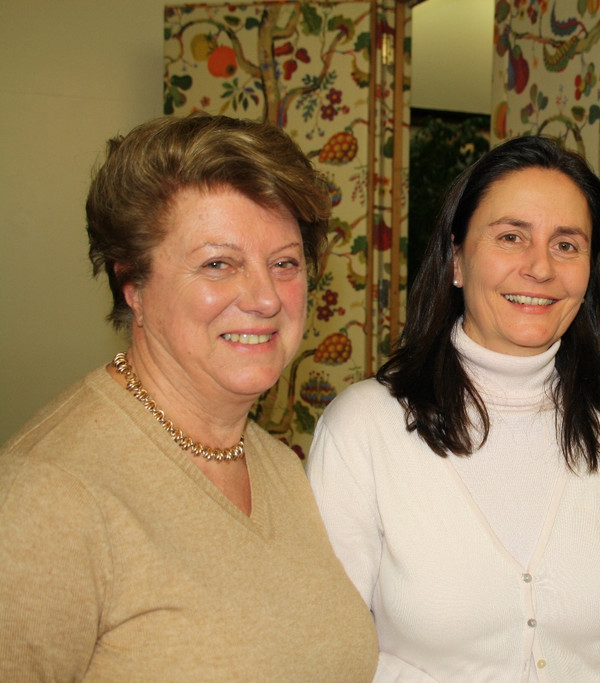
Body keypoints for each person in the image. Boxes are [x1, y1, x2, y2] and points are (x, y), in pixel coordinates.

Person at [0, 114, 378, 679]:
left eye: (284, 264)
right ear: (133, 285)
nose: (265, 298)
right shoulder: (48, 498)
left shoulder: (278, 466)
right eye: (218, 264)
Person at [306, 135, 600, 681]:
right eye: (510, 237)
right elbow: (332, 642)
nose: (540, 268)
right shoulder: (363, 428)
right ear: (456, 259)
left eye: (566, 244)